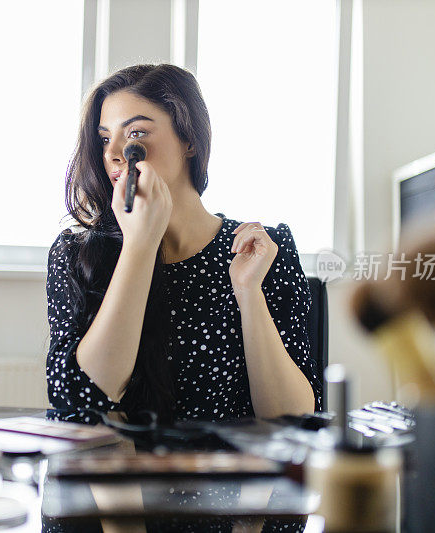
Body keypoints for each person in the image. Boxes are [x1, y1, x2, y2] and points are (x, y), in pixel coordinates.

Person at [46, 64, 321, 425]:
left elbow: (294, 418)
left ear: (189, 140)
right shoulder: (76, 254)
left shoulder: (262, 250)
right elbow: (84, 398)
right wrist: (140, 245)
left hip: (227, 476)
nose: (114, 152)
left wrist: (248, 291)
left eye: (136, 133)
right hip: (113, 476)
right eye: (103, 138)